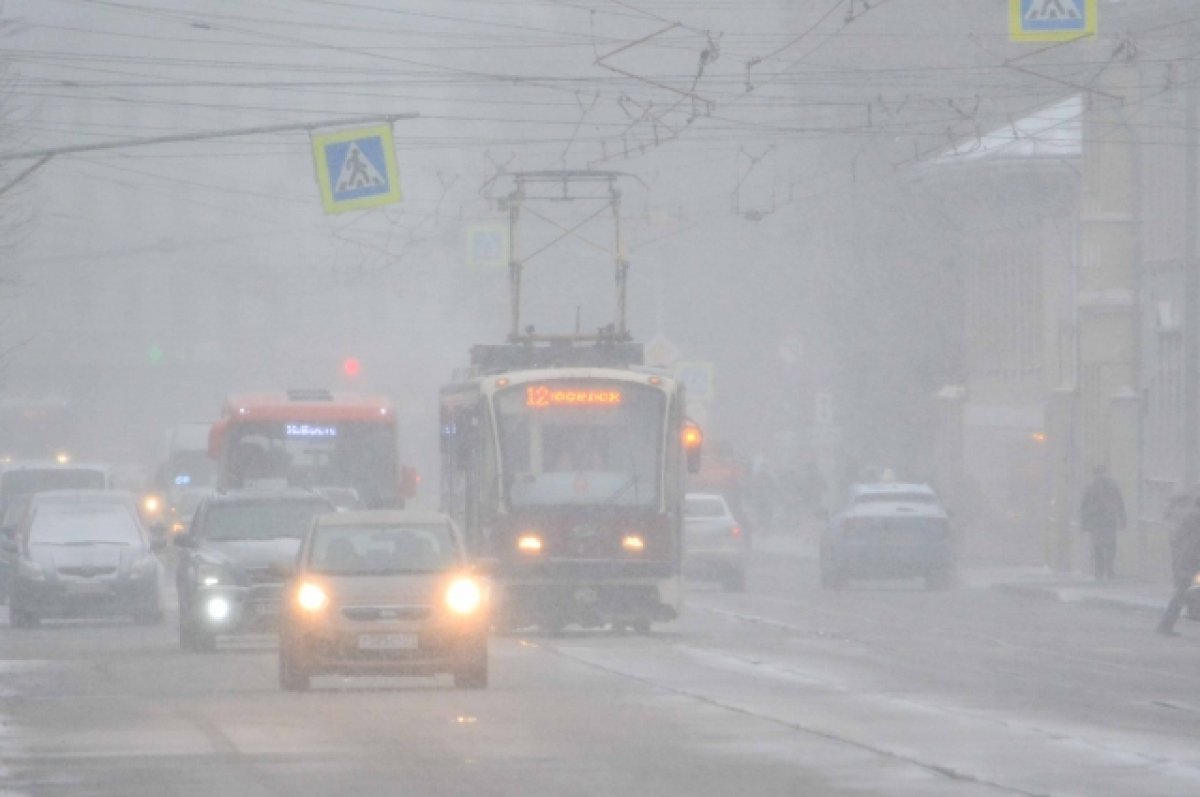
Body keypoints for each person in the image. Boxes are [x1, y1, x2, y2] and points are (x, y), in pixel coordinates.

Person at [1157, 495, 1200, 636]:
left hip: (1188, 562)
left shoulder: (1190, 517)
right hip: (1192, 563)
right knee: (1185, 592)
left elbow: (1177, 538)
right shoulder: (1196, 518)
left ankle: (1166, 625)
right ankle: (1165, 625)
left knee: (1185, 591)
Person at [1080, 465, 1126, 581]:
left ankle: (1099, 571)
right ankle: (1109, 569)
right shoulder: (1112, 485)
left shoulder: (1090, 486)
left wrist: (1084, 522)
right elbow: (1119, 502)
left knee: (1098, 546)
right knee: (1111, 544)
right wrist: (1122, 518)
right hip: (1109, 519)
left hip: (1096, 520)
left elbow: (1085, 505)